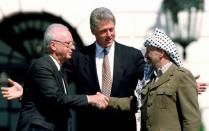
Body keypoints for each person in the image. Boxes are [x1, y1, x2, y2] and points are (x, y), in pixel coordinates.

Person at [1, 7, 208, 131]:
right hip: (90, 128)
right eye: (103, 31)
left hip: (122, 128)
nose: (109, 34)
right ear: (93, 31)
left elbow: (152, 81)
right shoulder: (80, 57)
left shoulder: (133, 56)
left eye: (112, 29)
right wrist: (28, 92)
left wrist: (184, 85)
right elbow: (55, 87)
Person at [12, 23, 109, 131]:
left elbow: (43, 96)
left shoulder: (61, 69)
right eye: (68, 43)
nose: (72, 47)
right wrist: (90, 98)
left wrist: (25, 94)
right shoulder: (42, 65)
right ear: (53, 45)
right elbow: (57, 98)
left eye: (73, 43)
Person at [140, 28, 200, 131]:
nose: (145, 56)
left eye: (148, 51)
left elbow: (191, 121)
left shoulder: (181, 76)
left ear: (161, 53)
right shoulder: (150, 78)